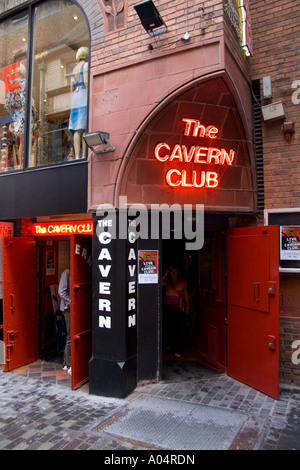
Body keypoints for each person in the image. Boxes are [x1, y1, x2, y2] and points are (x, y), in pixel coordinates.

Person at [162, 265, 189, 357]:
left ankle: (177, 350)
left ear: (178, 273)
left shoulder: (182, 282)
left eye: (175, 272)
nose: (173, 274)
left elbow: (185, 295)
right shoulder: (166, 282)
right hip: (168, 308)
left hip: (178, 308)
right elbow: (157, 284)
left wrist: (188, 306)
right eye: (171, 272)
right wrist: (165, 274)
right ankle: (169, 345)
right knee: (169, 329)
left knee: (179, 329)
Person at [68, 47, 89, 159]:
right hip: (83, 95)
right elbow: (86, 82)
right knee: (84, 127)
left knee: (76, 128)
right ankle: (84, 154)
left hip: (75, 97)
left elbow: (71, 88)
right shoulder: (85, 65)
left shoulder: (73, 69)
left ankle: (76, 156)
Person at [58, 268, 71, 374]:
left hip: (70, 308)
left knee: (70, 336)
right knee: (70, 336)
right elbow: (61, 291)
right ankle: (67, 363)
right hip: (68, 309)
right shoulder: (66, 273)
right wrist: (71, 302)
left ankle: (67, 362)